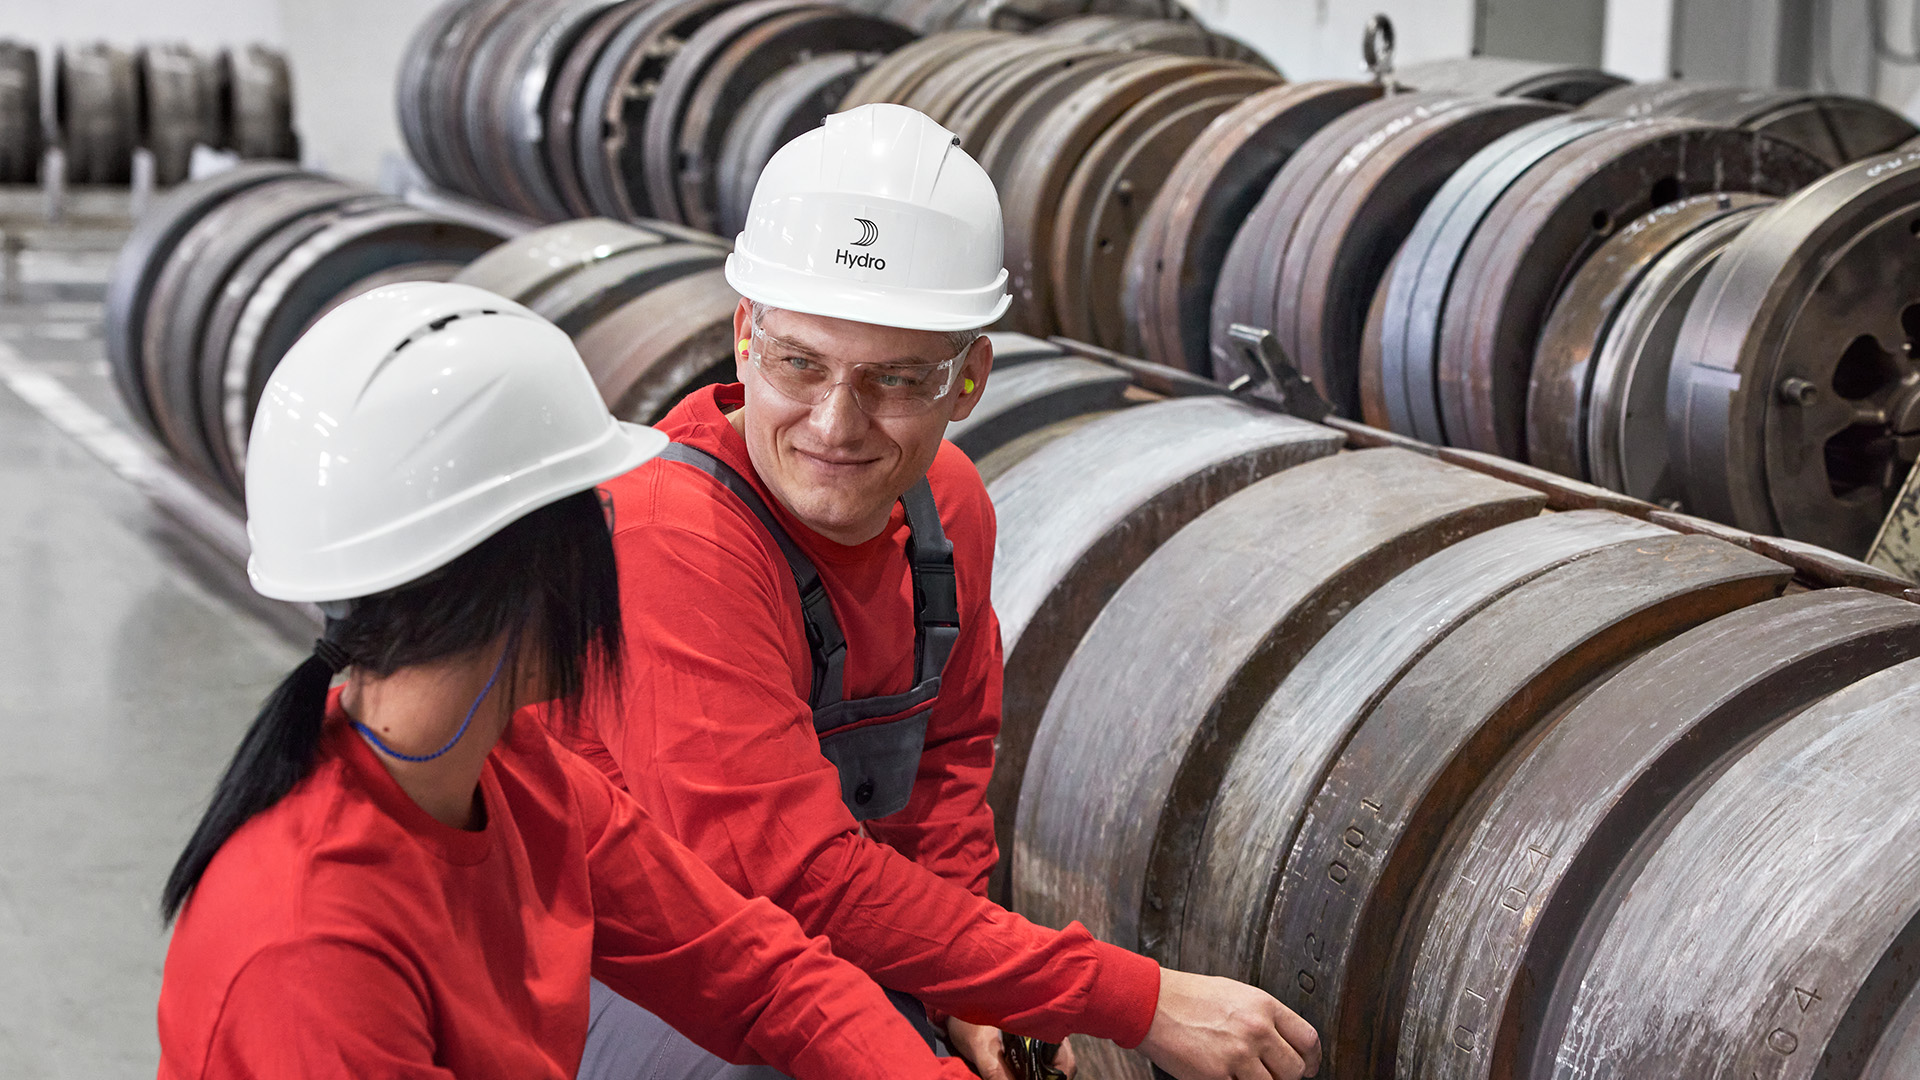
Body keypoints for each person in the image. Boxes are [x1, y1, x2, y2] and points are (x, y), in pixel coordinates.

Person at [559, 104, 1322, 1080]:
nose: (837, 424)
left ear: (968, 382)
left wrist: (972, 988)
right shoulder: (673, 533)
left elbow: (945, 771)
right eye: (802, 364)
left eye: (897, 380)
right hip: (610, 980)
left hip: (795, 956)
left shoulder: (946, 510)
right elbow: (795, 880)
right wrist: (1136, 998)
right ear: (747, 336)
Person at [154, 281, 979, 1080]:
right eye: (600, 520)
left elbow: (762, 974)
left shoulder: (513, 776)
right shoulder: (312, 951)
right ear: (537, 574)